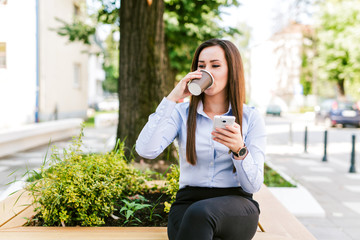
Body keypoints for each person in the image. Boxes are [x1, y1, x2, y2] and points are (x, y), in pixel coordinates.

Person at [136, 38, 266, 240]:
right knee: (197, 221)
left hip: (236, 205)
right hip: (188, 204)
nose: (207, 72)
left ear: (231, 70)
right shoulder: (181, 113)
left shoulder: (251, 117)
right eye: (201, 66)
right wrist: (172, 98)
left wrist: (240, 150)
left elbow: (253, 186)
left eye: (215, 65)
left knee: (201, 215)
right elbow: (146, 150)